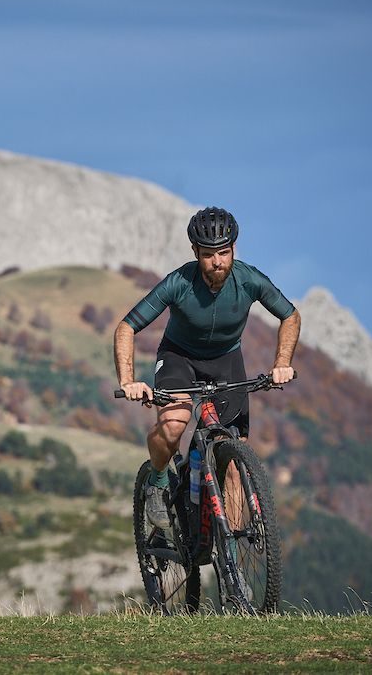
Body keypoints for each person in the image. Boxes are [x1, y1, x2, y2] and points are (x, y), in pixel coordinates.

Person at [114, 207, 300, 529]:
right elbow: (126, 328)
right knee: (174, 423)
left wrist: (282, 363)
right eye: (209, 255)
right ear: (195, 252)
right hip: (179, 357)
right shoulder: (179, 282)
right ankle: (158, 482)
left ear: (234, 249)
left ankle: (236, 555)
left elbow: (290, 316)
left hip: (226, 361)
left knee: (234, 458)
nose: (218, 262)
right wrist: (129, 381)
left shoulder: (249, 279)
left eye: (225, 253)